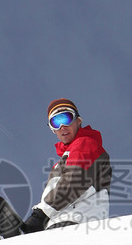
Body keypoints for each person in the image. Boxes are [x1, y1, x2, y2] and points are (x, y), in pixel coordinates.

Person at [18, 98, 112, 233]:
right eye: (56, 122)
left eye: (66, 118)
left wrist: (41, 213)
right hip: (64, 221)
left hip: (75, 221)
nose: (62, 126)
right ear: (52, 130)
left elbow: (74, 180)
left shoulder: (85, 144)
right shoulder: (65, 158)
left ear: (78, 120)